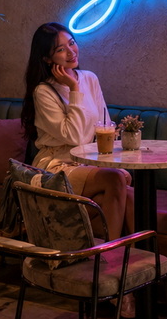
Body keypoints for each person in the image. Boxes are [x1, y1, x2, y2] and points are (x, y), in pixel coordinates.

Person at [22, 23, 134, 239]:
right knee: (115, 181)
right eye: (60, 49)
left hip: (86, 165)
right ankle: (109, 253)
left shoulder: (90, 78)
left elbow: (105, 125)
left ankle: (133, 260)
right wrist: (74, 89)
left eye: (72, 43)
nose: (71, 52)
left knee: (129, 195)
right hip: (56, 168)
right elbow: (76, 137)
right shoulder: (44, 91)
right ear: (47, 58)